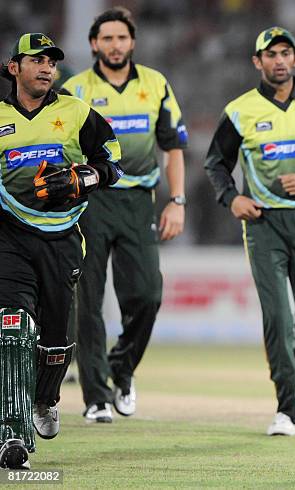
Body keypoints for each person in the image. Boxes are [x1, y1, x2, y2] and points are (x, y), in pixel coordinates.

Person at [205, 27, 295, 436]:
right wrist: (231, 198)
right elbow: (215, 163)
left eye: (286, 52)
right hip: (262, 223)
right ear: (257, 62)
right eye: (270, 54)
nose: (279, 60)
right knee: (277, 317)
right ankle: (286, 408)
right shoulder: (240, 110)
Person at [0, 33, 122, 469]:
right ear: (14, 68)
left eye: (52, 61)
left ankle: (46, 399)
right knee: (12, 328)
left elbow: (113, 163)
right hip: (9, 237)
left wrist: (83, 178)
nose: (48, 67)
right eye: (37, 60)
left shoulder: (77, 111)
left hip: (63, 237)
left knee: (55, 341)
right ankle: (11, 434)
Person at [62, 7, 188, 423]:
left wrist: (178, 201)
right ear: (94, 44)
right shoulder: (75, 88)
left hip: (138, 202)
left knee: (148, 295)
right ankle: (96, 396)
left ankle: (123, 368)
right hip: (90, 202)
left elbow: (172, 148)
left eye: (122, 38)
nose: (115, 45)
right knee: (89, 300)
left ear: (132, 42)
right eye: (107, 39)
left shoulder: (155, 84)